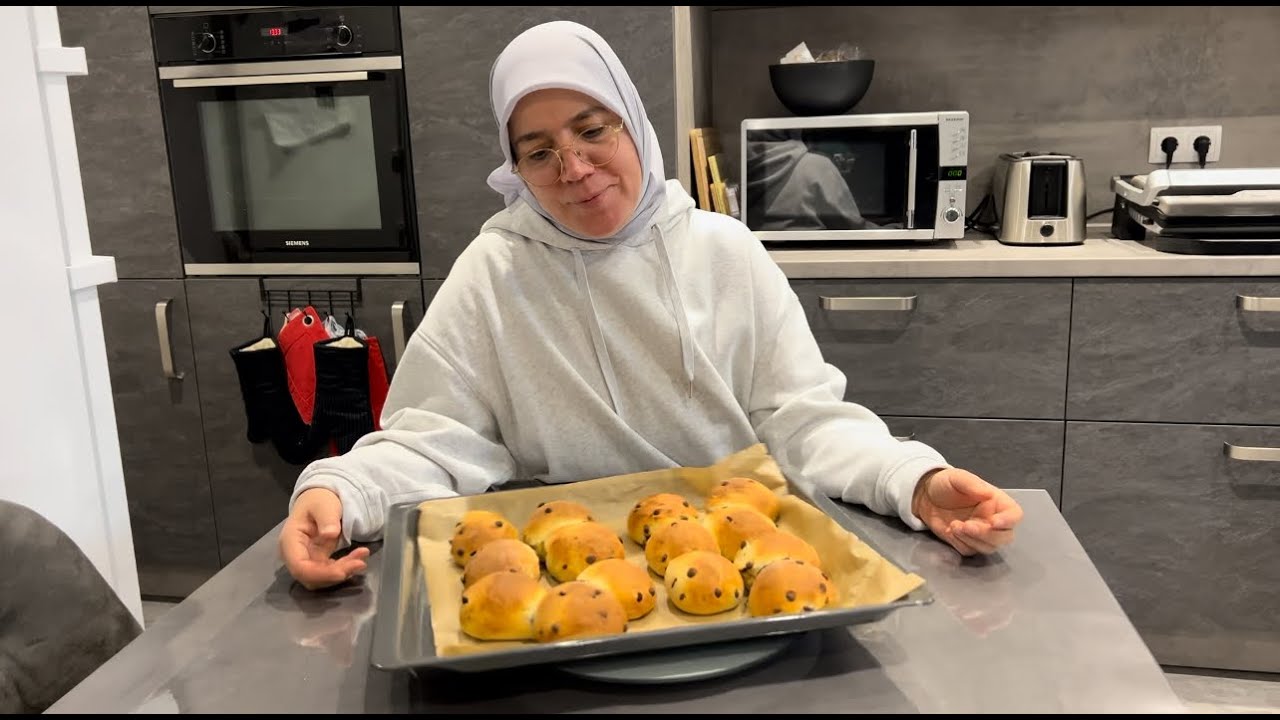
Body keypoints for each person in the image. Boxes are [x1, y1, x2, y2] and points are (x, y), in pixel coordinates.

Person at [279, 21, 1023, 591]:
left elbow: (806, 422)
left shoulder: (726, 253)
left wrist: (912, 481)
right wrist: (340, 490)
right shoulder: (493, 274)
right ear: (515, 169)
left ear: (632, 122)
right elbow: (430, 440)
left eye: (592, 130)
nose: (575, 169)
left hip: (738, 565)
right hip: (562, 577)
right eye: (538, 152)